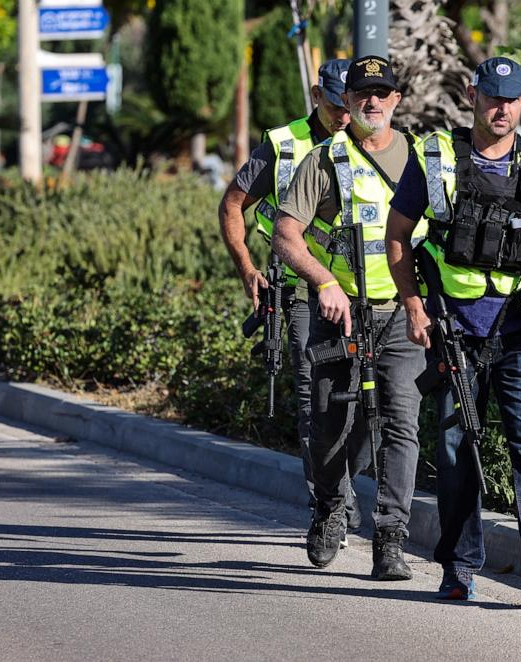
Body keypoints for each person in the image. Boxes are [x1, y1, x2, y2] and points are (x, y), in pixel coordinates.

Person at [385, 56, 521, 604]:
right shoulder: (437, 157)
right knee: (455, 451)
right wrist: (413, 305)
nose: (502, 108)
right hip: (455, 330)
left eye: (512, 98)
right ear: (473, 96)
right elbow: (397, 234)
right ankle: (458, 567)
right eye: (492, 97)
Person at [272, 55, 428, 580]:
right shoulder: (324, 159)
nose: (373, 102)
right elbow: (285, 236)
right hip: (338, 317)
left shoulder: (421, 159)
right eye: (363, 93)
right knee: (330, 427)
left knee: (400, 424)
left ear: (396, 100)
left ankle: (390, 539)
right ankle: (331, 508)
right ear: (348, 100)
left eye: (382, 93)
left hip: (401, 315)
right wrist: (325, 281)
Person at [218, 59, 365, 537]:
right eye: (336, 104)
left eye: (351, 105)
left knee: (372, 402)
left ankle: (342, 482)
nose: (345, 114)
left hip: (365, 289)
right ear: (317, 96)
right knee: (312, 396)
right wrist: (247, 268)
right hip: (301, 286)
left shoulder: (372, 142)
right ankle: (331, 503)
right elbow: (233, 204)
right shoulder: (283, 145)